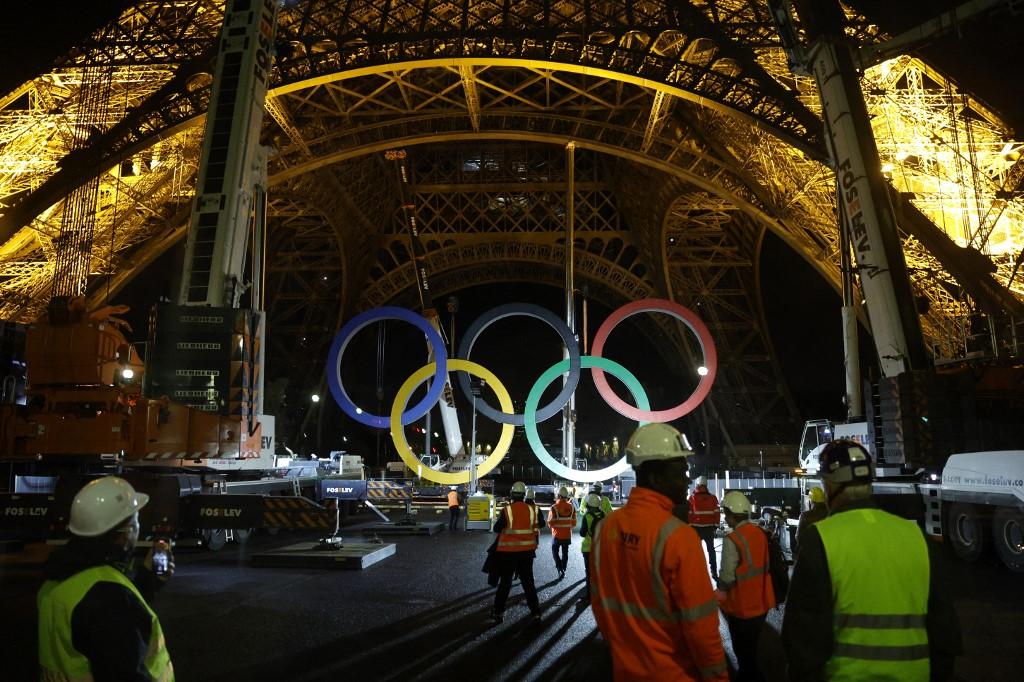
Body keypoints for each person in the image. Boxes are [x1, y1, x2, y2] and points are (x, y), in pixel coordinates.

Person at [782, 440, 961, 681]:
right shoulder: (916, 537)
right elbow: (944, 630)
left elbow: (803, 637)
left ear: (829, 484)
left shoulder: (820, 538)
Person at [591, 423, 728, 681]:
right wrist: (718, 677)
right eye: (680, 472)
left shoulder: (606, 528)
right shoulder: (678, 536)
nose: (686, 479)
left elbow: (599, 603)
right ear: (656, 477)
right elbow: (702, 627)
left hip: (624, 670)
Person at [37, 477, 175, 681]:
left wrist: (147, 582)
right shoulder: (110, 599)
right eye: (136, 522)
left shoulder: (56, 582)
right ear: (126, 533)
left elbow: (90, 629)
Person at [715, 491, 776, 682]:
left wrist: (719, 593)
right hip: (762, 601)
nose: (725, 517)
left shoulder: (732, 540)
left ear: (732, 514)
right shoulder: (759, 533)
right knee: (752, 650)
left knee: (744, 654)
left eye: (726, 513)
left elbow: (727, 576)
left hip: (742, 607)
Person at [491, 481, 545, 623]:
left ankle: (498, 613)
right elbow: (540, 524)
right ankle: (536, 613)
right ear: (524, 495)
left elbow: (497, 528)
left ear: (512, 494)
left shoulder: (507, 510)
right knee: (528, 584)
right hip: (527, 552)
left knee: (505, 583)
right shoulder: (532, 510)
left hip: (508, 552)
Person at [688, 475, 722, 580]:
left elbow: (689, 514)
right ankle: (714, 572)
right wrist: (715, 526)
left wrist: (689, 526)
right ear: (706, 485)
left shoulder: (692, 498)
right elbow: (717, 513)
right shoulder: (712, 498)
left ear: (697, 485)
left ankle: (694, 572)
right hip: (709, 529)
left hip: (696, 529)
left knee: (694, 552)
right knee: (711, 551)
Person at [578, 492, 606, 602]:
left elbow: (582, 533)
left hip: (588, 549)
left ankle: (589, 596)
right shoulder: (603, 514)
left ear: (589, 505)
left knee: (589, 573)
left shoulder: (587, 516)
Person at [548, 486, 577, 581]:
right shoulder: (572, 507)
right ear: (566, 496)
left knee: (554, 551)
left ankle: (559, 568)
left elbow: (550, 523)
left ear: (559, 495)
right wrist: (567, 528)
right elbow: (574, 523)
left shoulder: (554, 507)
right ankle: (564, 568)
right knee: (565, 552)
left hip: (556, 535)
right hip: (567, 535)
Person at [795, 486, 828, 553]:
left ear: (811, 501)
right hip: (827, 552)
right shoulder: (830, 513)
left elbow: (798, 537)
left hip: (810, 553)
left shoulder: (805, 516)